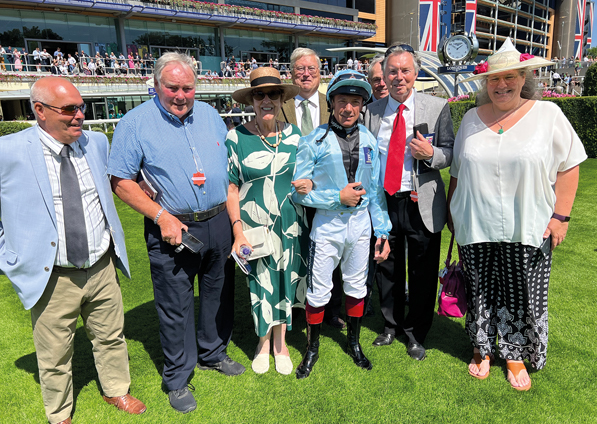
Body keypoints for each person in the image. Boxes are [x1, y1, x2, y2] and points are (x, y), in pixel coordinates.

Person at [0, 77, 146, 424]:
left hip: (101, 265)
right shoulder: (8, 151)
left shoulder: (96, 143)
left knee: (111, 336)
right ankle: (60, 413)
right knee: (54, 354)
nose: (79, 115)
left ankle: (116, 390)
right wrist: (9, 257)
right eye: (69, 109)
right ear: (40, 111)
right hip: (52, 275)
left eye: (81, 107)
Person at [108, 52, 243, 414]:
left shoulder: (212, 116)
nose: (181, 95)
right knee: (175, 305)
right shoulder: (134, 123)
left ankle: (213, 353)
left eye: (188, 87)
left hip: (216, 220)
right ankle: (178, 378)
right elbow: (120, 181)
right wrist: (160, 215)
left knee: (218, 292)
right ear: (155, 85)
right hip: (173, 226)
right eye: (172, 87)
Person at [449, 38, 587, 391]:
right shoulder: (470, 118)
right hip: (475, 223)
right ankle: (482, 349)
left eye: (510, 77)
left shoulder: (547, 115)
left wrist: (561, 217)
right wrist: (453, 213)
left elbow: (570, 166)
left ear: (524, 78)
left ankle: (515, 354)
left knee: (522, 292)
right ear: (485, 83)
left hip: (529, 224)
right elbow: (458, 171)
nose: (502, 85)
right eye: (494, 79)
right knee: (480, 289)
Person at [292, 69, 392, 379]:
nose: (348, 108)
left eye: (354, 101)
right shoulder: (314, 140)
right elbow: (299, 194)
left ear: (362, 104)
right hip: (327, 225)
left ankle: (354, 342)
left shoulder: (370, 140)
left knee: (356, 286)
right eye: (342, 101)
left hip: (361, 226)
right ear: (331, 102)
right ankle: (312, 349)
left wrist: (383, 230)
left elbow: (375, 190)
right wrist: (337, 198)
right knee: (320, 290)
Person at [363, 43, 455, 361]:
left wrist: (431, 155)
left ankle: (416, 332)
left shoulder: (437, 107)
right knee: (386, 265)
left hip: (422, 202)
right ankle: (390, 325)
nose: (398, 77)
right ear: (383, 76)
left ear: (415, 74)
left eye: (404, 71)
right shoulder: (372, 112)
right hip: (385, 200)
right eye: (392, 71)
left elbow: (449, 152)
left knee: (422, 270)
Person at [226, 67, 308, 375]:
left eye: (273, 94)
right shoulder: (236, 138)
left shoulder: (295, 136)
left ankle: (281, 344)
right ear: (251, 100)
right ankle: (262, 343)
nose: (266, 100)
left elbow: (306, 177)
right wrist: (237, 230)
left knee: (286, 281)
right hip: (253, 224)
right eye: (259, 94)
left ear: (281, 98)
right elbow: (231, 189)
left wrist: (308, 184)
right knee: (261, 284)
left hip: (290, 222)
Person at [278, 48, 346, 329]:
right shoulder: (280, 104)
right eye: (299, 70)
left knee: (332, 248)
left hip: (328, 191)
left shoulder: (333, 104)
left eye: (312, 70)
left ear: (321, 74)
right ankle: (296, 306)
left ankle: (332, 309)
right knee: (295, 247)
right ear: (291, 74)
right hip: (290, 190)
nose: (305, 74)